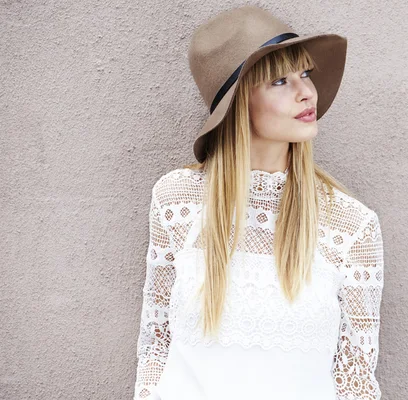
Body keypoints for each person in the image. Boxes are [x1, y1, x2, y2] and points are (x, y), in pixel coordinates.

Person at [133, 5, 384, 400]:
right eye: (280, 81)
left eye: (305, 74)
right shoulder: (176, 200)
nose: (306, 92)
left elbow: (356, 383)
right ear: (238, 105)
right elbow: (156, 345)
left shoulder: (350, 224)